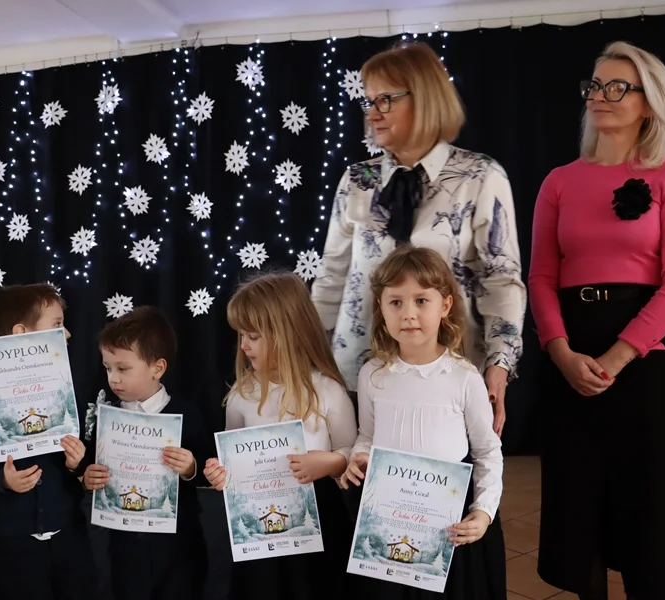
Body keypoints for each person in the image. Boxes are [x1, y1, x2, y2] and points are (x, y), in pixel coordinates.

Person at [528, 41, 665, 600]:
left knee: (647, 507)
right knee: (578, 507)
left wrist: (618, 357)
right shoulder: (558, 181)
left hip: (644, 362)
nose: (600, 95)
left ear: (649, 103)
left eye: (617, 86)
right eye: (595, 85)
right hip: (570, 356)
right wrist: (559, 350)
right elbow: (541, 277)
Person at [311, 41, 525, 438]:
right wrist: (307, 358)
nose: (372, 113)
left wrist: (500, 362)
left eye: (385, 100)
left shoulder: (480, 176)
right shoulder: (357, 179)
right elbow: (332, 277)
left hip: (446, 374)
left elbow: (501, 280)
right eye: (369, 101)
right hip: (358, 372)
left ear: (425, 98)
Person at [340, 245, 505, 600]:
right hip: (387, 520)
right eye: (396, 302)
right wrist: (359, 457)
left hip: (448, 525)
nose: (408, 314)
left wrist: (483, 512)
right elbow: (366, 436)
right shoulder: (372, 375)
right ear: (381, 308)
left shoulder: (464, 378)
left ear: (445, 305)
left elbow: (487, 452)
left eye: (421, 301)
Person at [203, 272, 357, 600]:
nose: (244, 345)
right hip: (260, 532)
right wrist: (220, 473)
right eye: (241, 335)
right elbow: (232, 456)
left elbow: (352, 452)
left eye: (253, 336)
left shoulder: (327, 390)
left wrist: (329, 463)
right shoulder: (242, 394)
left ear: (287, 333)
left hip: (318, 524)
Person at [0, 283, 98, 600]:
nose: (67, 334)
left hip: (68, 531)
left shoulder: (66, 390)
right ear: (21, 333)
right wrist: (2, 480)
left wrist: (77, 462)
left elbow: (84, 458)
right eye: (57, 324)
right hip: (13, 540)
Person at [82, 306, 213, 600]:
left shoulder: (185, 414)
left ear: (157, 368)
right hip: (125, 544)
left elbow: (208, 466)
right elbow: (92, 465)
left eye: (123, 368)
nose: (113, 379)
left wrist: (191, 466)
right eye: (108, 368)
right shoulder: (106, 417)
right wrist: (89, 477)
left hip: (179, 543)